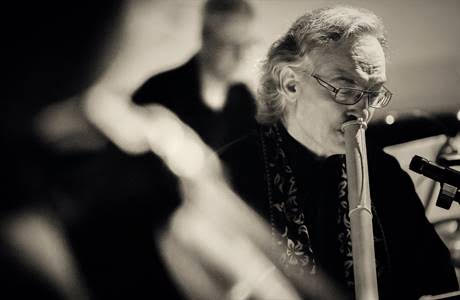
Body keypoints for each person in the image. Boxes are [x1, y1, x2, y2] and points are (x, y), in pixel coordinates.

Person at [218, 6, 459, 299]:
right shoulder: (226, 178)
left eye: (373, 94)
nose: (362, 109)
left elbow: (436, 283)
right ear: (289, 83)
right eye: (346, 88)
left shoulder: (383, 173)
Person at [132, 0, 257, 150]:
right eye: (232, 45)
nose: (241, 55)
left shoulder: (245, 101)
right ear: (206, 39)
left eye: (246, 44)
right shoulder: (158, 91)